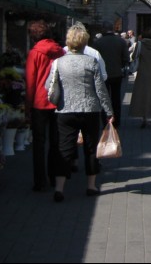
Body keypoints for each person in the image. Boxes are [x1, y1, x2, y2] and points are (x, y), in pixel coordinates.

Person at [47, 24, 114, 202]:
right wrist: (108, 111)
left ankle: (60, 187)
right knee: (91, 148)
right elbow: (100, 89)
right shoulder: (91, 62)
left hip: (65, 110)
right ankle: (91, 185)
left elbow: (49, 85)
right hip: (89, 109)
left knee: (64, 148)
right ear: (84, 42)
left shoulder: (58, 62)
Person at [25, 20, 66, 192]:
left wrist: (27, 106)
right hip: (57, 101)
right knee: (56, 143)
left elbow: (31, 81)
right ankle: (54, 176)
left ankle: (39, 180)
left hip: (40, 102)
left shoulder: (34, 53)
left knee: (39, 143)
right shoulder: (60, 52)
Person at [94, 23, 128, 128]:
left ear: (103, 30)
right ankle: (116, 121)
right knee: (116, 98)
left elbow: (94, 60)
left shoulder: (98, 42)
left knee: (104, 98)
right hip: (117, 74)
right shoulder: (121, 41)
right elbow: (126, 58)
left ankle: (105, 121)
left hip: (102, 75)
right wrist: (120, 65)